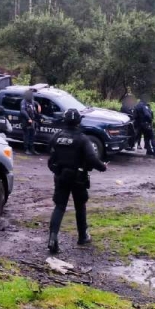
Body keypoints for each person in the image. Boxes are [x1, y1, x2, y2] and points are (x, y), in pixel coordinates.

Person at [46, 108, 108, 254]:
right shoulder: (82, 139)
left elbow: (51, 158)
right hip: (78, 178)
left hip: (61, 177)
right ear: (79, 121)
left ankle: (52, 239)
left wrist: (58, 171)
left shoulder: (56, 137)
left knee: (59, 207)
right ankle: (82, 236)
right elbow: (92, 159)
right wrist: (103, 167)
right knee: (80, 207)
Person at [19, 89, 39, 154]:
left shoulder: (32, 102)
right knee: (26, 135)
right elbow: (23, 111)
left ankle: (32, 149)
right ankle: (26, 149)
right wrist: (28, 118)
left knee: (32, 136)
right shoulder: (23, 102)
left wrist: (38, 106)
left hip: (32, 121)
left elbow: (34, 109)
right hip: (26, 121)